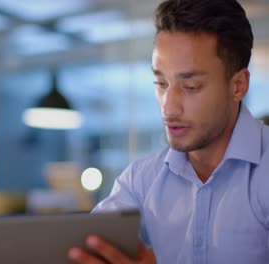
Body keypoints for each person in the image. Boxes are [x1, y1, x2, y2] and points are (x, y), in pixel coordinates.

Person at [68, 0, 269, 263]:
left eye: (191, 86)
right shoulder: (141, 181)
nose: (168, 106)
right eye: (161, 82)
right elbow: (82, 248)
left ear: (238, 86)